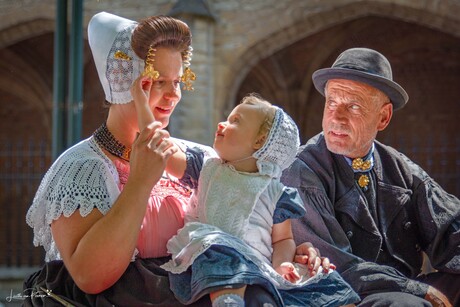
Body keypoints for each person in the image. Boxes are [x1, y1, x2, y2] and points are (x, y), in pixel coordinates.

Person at [23, 11, 302, 306]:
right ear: (123, 84)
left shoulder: (206, 160)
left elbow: (256, 220)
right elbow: (91, 278)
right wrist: (140, 182)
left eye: (178, 81)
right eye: (158, 82)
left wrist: (293, 251)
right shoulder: (80, 169)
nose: (174, 95)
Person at [130, 87, 359, 306]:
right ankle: (228, 301)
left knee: (325, 280)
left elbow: (282, 240)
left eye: (235, 121)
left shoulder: (275, 192)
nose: (222, 123)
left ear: (259, 142)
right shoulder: (206, 168)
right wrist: (141, 103)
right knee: (224, 256)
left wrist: (283, 265)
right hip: (214, 252)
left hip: (259, 263)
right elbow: (158, 144)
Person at [281, 47, 460, 307]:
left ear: (383, 117)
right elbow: (338, 266)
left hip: (405, 287)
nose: (336, 117)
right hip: (346, 294)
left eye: (353, 106)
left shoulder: (399, 166)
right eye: (331, 102)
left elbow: (450, 226)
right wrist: (418, 290)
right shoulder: (302, 170)